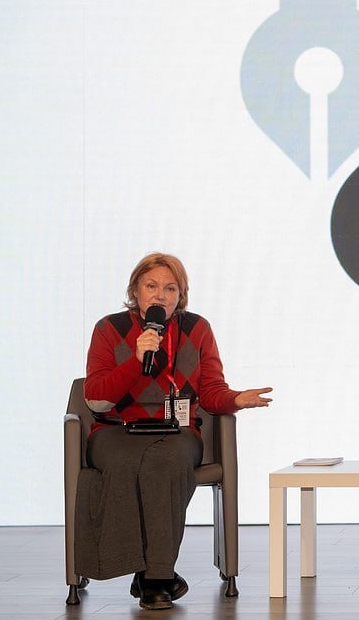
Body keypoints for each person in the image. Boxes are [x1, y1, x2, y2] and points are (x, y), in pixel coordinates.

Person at [76, 253, 273, 610]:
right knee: (127, 462)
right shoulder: (109, 328)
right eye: (151, 286)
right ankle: (156, 575)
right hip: (117, 430)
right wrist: (136, 360)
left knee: (165, 462)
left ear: (181, 295)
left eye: (170, 288)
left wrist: (235, 399)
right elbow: (97, 399)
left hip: (176, 430)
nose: (160, 295)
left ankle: (152, 576)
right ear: (135, 290)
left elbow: (210, 391)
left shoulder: (197, 329)